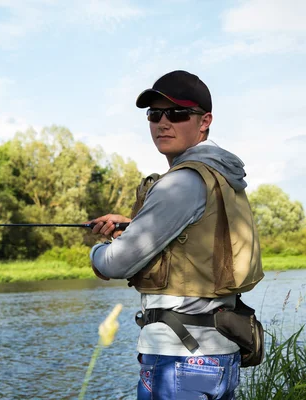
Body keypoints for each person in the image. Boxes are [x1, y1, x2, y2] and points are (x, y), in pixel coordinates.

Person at [88, 70, 263, 399]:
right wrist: (132, 225)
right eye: (154, 114)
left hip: (179, 359)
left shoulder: (181, 181)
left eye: (178, 113)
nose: (163, 122)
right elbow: (196, 238)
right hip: (218, 357)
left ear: (204, 121)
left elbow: (116, 263)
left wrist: (97, 252)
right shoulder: (221, 175)